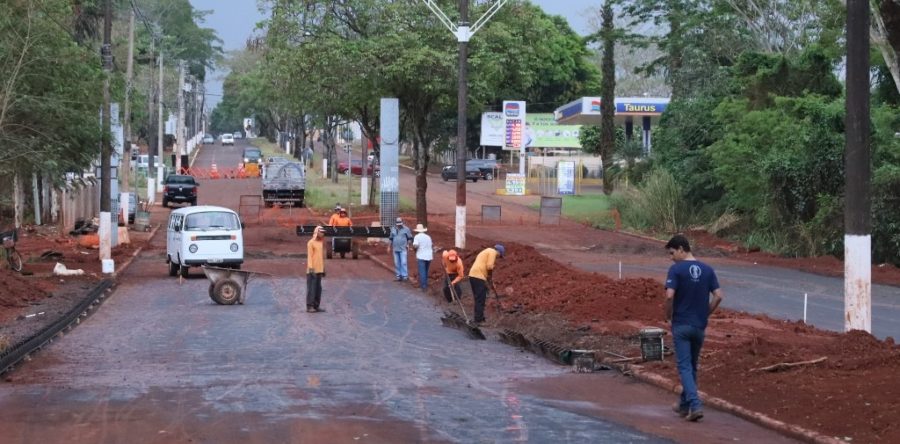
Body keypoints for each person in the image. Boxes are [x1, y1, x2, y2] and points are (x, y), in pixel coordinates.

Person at [664, 234, 724, 422]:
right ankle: (684, 405)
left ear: (681, 249)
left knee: (684, 367)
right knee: (691, 367)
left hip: (681, 324)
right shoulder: (707, 269)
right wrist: (706, 313)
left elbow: (669, 296)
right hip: (699, 326)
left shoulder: (676, 270)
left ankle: (695, 405)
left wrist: (668, 315)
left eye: (672, 253)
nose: (671, 257)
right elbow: (719, 296)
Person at [467, 244, 505, 324]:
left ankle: (479, 317)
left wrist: (489, 281)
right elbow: (489, 267)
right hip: (479, 276)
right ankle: (479, 320)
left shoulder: (486, 251)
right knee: (480, 299)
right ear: (499, 252)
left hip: (472, 275)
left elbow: (485, 268)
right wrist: (490, 278)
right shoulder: (493, 252)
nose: (498, 258)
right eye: (500, 256)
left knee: (478, 298)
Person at [306, 226, 327, 313]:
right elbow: (309, 257)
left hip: (319, 269)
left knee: (318, 289)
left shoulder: (320, 243)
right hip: (312, 270)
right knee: (312, 288)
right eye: (321, 232)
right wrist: (311, 269)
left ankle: (316, 305)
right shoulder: (311, 243)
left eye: (323, 232)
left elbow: (321, 257)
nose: (322, 234)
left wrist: (323, 268)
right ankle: (310, 306)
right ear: (317, 232)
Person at [389, 217, 413, 281]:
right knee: (396, 263)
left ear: (402, 223)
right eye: (398, 224)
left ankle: (405, 276)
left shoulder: (406, 229)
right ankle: (399, 276)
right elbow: (391, 238)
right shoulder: (393, 229)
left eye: (400, 224)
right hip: (395, 248)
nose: (399, 225)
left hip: (403, 248)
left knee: (403, 262)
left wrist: (408, 244)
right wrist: (389, 246)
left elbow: (410, 238)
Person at [411, 224, 433, 291]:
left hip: (421, 256)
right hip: (429, 256)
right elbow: (431, 245)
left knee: (422, 272)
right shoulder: (428, 237)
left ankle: (423, 286)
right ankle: (425, 284)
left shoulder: (417, 237)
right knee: (426, 271)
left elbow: (415, 246)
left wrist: (414, 250)